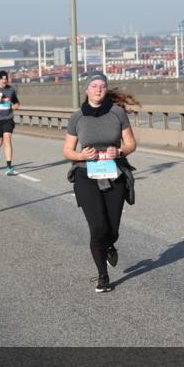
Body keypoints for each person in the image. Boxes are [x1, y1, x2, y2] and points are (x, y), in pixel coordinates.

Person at [63, 73, 138, 293]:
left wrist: (121, 150)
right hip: (86, 176)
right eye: (94, 86)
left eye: (102, 86)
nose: (98, 90)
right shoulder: (77, 118)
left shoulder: (118, 114)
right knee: (97, 227)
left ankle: (110, 244)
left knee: (112, 228)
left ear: (106, 90)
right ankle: (102, 277)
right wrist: (81, 156)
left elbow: (131, 144)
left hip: (114, 174)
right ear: (86, 90)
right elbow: (67, 150)